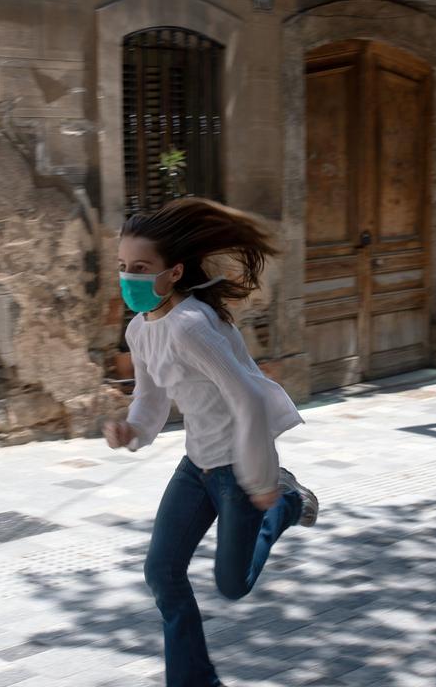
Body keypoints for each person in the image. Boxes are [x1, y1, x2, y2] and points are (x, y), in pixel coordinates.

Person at [103, 197, 319, 687]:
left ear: (174, 271)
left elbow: (248, 398)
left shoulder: (191, 326)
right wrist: (131, 430)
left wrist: (261, 477)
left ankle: (286, 502)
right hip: (197, 465)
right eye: (122, 267)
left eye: (141, 268)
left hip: (238, 468)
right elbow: (152, 399)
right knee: (162, 572)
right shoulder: (141, 329)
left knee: (232, 584)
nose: (129, 277)